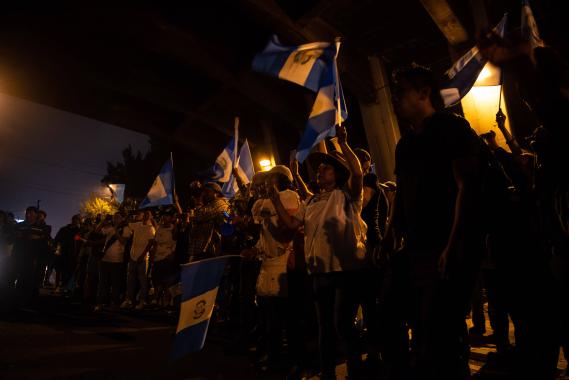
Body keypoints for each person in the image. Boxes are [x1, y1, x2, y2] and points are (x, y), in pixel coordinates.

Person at [386, 64, 484, 380]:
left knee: (441, 331)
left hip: (447, 247)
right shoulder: (405, 144)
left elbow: (466, 188)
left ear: (424, 92)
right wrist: (391, 233)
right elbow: (402, 192)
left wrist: (452, 246)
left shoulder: (451, 129)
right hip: (416, 249)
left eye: (401, 92)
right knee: (409, 322)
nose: (396, 99)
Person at [271, 125, 367, 379]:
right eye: (320, 168)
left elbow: (357, 173)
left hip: (344, 272)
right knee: (324, 326)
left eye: (326, 167)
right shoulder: (312, 201)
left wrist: (344, 144)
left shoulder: (347, 196)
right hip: (319, 273)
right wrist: (274, 199)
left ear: (336, 174)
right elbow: (292, 225)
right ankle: (328, 373)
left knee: (343, 325)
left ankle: (356, 369)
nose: (320, 170)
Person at [251, 165, 301, 370]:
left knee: (285, 316)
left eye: (269, 179)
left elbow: (269, 213)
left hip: (283, 261)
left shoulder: (288, 195)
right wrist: (255, 249)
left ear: (280, 179)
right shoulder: (267, 202)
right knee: (268, 314)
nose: (264, 184)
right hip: (268, 262)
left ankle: (288, 359)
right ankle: (273, 355)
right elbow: (263, 231)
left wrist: (266, 205)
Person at [121, 210, 155, 310]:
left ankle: (142, 301)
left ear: (150, 217)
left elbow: (150, 243)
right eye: (144, 214)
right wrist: (130, 216)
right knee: (130, 280)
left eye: (147, 215)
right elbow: (127, 223)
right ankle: (128, 300)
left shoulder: (150, 228)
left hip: (143, 258)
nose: (145, 216)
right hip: (133, 256)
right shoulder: (137, 225)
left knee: (142, 280)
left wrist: (143, 255)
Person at [95, 213, 129, 311]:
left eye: (118, 217)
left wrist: (116, 231)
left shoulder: (125, 229)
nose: (115, 219)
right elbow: (97, 232)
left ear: (122, 218)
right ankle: (100, 303)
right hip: (105, 259)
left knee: (115, 283)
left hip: (117, 260)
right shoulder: (110, 228)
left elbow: (123, 241)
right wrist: (102, 222)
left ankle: (114, 303)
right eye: (114, 218)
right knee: (102, 283)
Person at [187, 182, 229, 262]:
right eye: (203, 192)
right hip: (201, 248)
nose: (204, 194)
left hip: (209, 249)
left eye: (207, 191)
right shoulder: (210, 205)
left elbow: (200, 216)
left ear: (216, 193)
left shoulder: (221, 204)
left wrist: (199, 200)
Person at [150, 211, 178, 308]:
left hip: (167, 258)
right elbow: (155, 243)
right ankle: (156, 300)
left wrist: (171, 255)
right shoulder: (159, 229)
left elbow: (175, 244)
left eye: (167, 216)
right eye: (164, 216)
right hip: (157, 258)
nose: (165, 218)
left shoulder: (174, 229)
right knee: (156, 281)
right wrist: (152, 256)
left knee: (167, 281)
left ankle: (166, 302)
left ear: (171, 218)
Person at [53, 215, 82, 292]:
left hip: (73, 254)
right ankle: (57, 286)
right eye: (75, 219)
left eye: (78, 220)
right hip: (62, 252)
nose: (76, 221)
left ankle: (67, 288)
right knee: (59, 270)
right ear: (72, 220)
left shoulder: (79, 231)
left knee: (70, 271)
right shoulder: (63, 229)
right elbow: (57, 240)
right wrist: (57, 250)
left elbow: (80, 242)